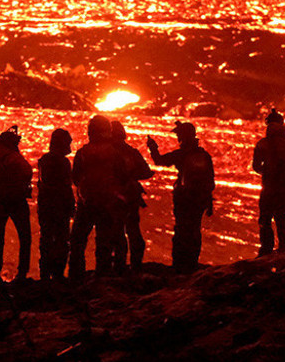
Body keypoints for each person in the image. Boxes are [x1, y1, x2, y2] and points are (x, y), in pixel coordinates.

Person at [147, 121, 215, 273]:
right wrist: (209, 202)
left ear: (183, 137)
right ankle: (192, 263)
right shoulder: (204, 156)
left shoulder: (181, 155)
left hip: (184, 199)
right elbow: (210, 180)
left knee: (181, 230)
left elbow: (159, 161)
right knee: (194, 230)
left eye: (178, 135)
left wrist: (152, 147)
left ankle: (179, 265)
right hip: (199, 199)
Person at [69, 115, 127, 278]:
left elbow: (75, 177)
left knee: (77, 242)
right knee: (104, 242)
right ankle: (102, 276)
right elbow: (122, 176)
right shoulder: (115, 153)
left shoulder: (82, 153)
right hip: (107, 203)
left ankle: (76, 276)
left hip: (86, 202)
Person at [0, 125, 33, 283]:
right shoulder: (15, 159)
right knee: (25, 238)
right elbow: (27, 173)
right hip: (17, 202)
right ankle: (22, 274)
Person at [251, 109, 285, 257]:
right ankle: (284, 248)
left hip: (268, 187)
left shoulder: (262, 144)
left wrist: (266, 172)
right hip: (284, 187)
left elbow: (256, 166)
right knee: (281, 217)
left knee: (265, 218)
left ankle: (266, 249)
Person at [111, 120, 154, 272]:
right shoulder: (132, 152)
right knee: (133, 231)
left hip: (114, 197)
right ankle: (136, 265)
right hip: (131, 196)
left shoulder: (108, 153)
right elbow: (147, 172)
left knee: (117, 233)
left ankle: (119, 266)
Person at [36, 128, 75, 281]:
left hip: (46, 206)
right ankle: (57, 273)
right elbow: (65, 187)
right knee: (61, 240)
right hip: (59, 207)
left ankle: (45, 273)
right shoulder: (62, 162)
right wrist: (71, 205)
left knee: (46, 239)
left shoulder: (44, 160)